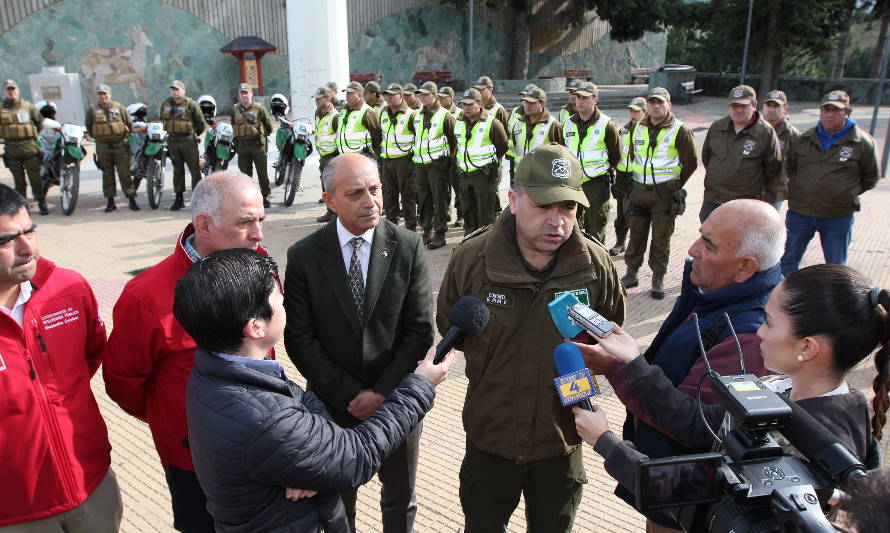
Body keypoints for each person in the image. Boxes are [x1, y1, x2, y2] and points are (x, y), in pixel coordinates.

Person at [573, 263, 887, 531]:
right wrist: (633, 361)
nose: (759, 333)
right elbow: (694, 420)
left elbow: (686, 490)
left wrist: (605, 440)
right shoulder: (782, 390)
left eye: (769, 322)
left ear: (807, 347)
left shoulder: (807, 448)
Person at [180, 248, 455, 533]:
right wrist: (420, 385)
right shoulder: (268, 420)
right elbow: (357, 456)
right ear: (255, 327)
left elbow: (301, 402)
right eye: (276, 296)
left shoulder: (212, 370)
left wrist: (308, 462)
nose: (283, 299)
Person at [437, 144, 626, 533]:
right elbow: (450, 326)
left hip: (560, 443)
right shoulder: (473, 259)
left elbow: (611, 341)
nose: (557, 221)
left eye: (568, 208)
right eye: (543, 206)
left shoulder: (594, 266)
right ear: (513, 199)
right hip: (491, 441)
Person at [590, 199, 785, 531]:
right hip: (669, 483)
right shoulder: (714, 293)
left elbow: (688, 420)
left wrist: (618, 369)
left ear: (745, 268)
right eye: (699, 236)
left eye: (708, 245)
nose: (692, 250)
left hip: (686, 499)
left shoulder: (748, 339)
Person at [103, 172, 268, 533]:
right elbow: (123, 383)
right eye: (245, 223)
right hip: (194, 463)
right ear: (204, 225)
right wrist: (178, 422)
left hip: (264, 449)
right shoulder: (146, 297)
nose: (258, 235)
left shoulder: (260, 267)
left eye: (260, 220)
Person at [284, 153, 434, 533]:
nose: (370, 202)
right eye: (355, 194)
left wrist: (382, 393)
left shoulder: (408, 246)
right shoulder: (303, 256)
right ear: (329, 200)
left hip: (396, 401)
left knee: (400, 497)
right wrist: (350, 394)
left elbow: (419, 331)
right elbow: (299, 338)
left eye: (375, 189)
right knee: (337, 497)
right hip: (333, 405)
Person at [0, 184, 122, 531]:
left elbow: (90, 354)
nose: (28, 248)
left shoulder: (68, 289)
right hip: (15, 512)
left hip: (92, 486)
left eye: (30, 231)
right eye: (6, 241)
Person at [780, 90, 879, 276]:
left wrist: (846, 192)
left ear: (847, 112)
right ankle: (782, 299)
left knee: (836, 266)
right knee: (789, 260)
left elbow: (871, 177)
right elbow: (790, 167)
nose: (830, 114)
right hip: (801, 212)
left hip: (837, 215)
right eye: (826, 109)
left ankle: (836, 302)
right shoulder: (804, 139)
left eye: (836, 110)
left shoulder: (862, 143)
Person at [622, 87, 698, 299]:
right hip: (638, 190)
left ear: (669, 105)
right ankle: (631, 273)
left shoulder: (680, 130)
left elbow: (690, 162)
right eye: (652, 102)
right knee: (635, 234)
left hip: (664, 193)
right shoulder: (637, 127)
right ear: (647, 105)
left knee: (661, 237)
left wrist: (674, 184)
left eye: (660, 102)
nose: (656, 106)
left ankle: (658, 277)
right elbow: (633, 156)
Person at [699, 85, 783, 222]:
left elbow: (773, 169)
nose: (738, 110)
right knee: (710, 241)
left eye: (743, 106)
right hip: (714, 199)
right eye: (734, 105)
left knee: (740, 242)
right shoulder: (717, 127)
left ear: (754, 105)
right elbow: (707, 157)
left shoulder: (765, 132)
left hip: (746, 205)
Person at [563, 81, 621, 243]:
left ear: (595, 100)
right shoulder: (568, 123)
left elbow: (616, 156)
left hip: (596, 184)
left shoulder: (606, 124)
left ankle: (597, 266)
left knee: (595, 229)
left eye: (585, 98)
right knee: (571, 227)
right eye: (578, 97)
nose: (579, 101)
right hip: (573, 183)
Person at [453, 88, 509, 235]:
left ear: (479, 104)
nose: (466, 107)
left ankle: (486, 245)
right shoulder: (459, 122)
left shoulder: (492, 123)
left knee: (486, 214)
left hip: (484, 176)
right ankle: (470, 241)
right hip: (465, 175)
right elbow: (457, 146)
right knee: (468, 211)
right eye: (463, 104)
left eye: (470, 104)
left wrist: (487, 162)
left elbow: (502, 147)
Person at [412, 81, 456, 250]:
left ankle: (440, 234)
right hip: (420, 164)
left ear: (435, 95)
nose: (422, 97)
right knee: (423, 199)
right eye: (420, 94)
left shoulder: (445, 115)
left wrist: (448, 161)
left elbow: (454, 141)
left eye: (425, 94)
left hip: (438, 166)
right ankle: (426, 231)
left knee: (440, 200)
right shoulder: (417, 115)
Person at [86, 84, 138, 213]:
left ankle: (131, 199)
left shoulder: (119, 108)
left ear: (110, 94)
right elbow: (89, 127)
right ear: (98, 95)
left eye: (105, 93)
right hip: (103, 147)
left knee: (125, 174)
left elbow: (129, 125)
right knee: (107, 174)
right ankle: (110, 202)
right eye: (100, 94)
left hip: (120, 146)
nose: (103, 96)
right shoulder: (92, 110)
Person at [0, 79, 47, 215]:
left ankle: (41, 202)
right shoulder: (1, 109)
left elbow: (39, 122)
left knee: (36, 178)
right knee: (19, 181)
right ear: (4, 92)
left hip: (29, 148)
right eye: (8, 90)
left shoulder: (28, 107)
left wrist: (32, 135)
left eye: (13, 89)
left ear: (18, 90)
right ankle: (22, 207)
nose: (11, 92)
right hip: (12, 149)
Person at [160, 80, 207, 211]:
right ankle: (179, 199)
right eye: (173, 90)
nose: (175, 92)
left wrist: (193, 135)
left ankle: (198, 200)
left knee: (194, 170)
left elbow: (201, 123)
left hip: (188, 141)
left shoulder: (191, 105)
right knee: (177, 170)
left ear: (183, 91)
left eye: (177, 89)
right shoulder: (166, 104)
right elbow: (162, 119)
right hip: (173, 141)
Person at [610, 96, 647, 256]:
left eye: (636, 111)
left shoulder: (648, 130)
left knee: (635, 213)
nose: (633, 113)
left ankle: (635, 245)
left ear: (644, 112)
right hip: (622, 175)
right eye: (631, 110)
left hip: (637, 176)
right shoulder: (623, 130)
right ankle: (620, 243)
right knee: (621, 212)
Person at [378, 82, 418, 230]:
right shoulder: (383, 113)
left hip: (404, 161)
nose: (388, 98)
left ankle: (410, 227)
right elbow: (378, 135)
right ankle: (391, 226)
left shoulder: (411, 115)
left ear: (401, 96)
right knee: (389, 195)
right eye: (386, 95)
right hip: (387, 161)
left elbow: (418, 139)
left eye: (391, 95)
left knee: (408, 195)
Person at [229, 83, 274, 208]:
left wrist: (263, 136)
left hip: (257, 145)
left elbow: (268, 125)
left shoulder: (259, 108)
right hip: (242, 146)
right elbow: (233, 124)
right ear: (239, 95)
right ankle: (248, 197)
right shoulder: (235, 109)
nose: (244, 95)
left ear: (251, 94)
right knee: (245, 174)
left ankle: (264, 196)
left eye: (246, 93)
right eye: (242, 93)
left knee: (262, 173)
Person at [506, 87, 564, 171]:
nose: (527, 105)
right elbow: (512, 153)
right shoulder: (518, 124)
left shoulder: (554, 126)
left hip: (543, 180)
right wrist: (512, 176)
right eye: (526, 101)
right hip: (521, 178)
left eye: (532, 102)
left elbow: (563, 157)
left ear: (542, 104)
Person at [762, 90, 800, 211]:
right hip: (750, 188)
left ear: (785, 108)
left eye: (776, 106)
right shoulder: (754, 127)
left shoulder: (792, 134)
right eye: (769, 105)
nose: (772, 109)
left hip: (774, 192)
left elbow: (797, 164)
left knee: (768, 227)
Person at [314, 86, 340, 223]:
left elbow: (338, 136)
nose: (317, 101)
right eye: (316, 99)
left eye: (320, 98)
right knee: (325, 185)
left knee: (333, 186)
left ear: (328, 98)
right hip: (323, 155)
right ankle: (330, 212)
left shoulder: (335, 115)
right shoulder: (319, 113)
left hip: (332, 155)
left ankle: (336, 214)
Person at [437, 86, 463, 227]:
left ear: (451, 98)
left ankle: (461, 215)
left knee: (458, 187)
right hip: (441, 157)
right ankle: (446, 213)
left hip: (456, 157)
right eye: (439, 97)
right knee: (443, 187)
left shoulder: (459, 113)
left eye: (443, 97)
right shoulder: (437, 113)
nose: (439, 99)